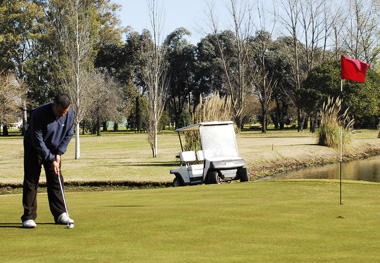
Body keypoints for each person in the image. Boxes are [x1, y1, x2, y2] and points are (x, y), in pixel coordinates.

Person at [21, 94, 75, 228]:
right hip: (34, 146)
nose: (62, 114)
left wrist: (59, 153)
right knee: (32, 179)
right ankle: (28, 216)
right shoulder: (39, 114)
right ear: (54, 105)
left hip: (54, 148)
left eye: (65, 112)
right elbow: (37, 140)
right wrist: (50, 158)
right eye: (60, 112)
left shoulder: (69, 114)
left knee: (56, 178)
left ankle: (60, 214)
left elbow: (69, 133)